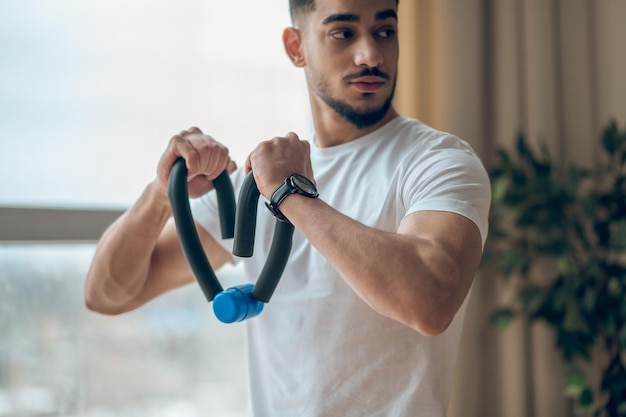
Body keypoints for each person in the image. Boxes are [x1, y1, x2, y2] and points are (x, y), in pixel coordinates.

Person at [85, 0, 491, 415]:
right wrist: (160, 194)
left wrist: (290, 193)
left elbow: (429, 301)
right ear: (296, 47)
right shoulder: (256, 184)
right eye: (343, 33)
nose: (370, 54)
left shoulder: (438, 160)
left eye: (385, 31)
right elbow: (108, 294)